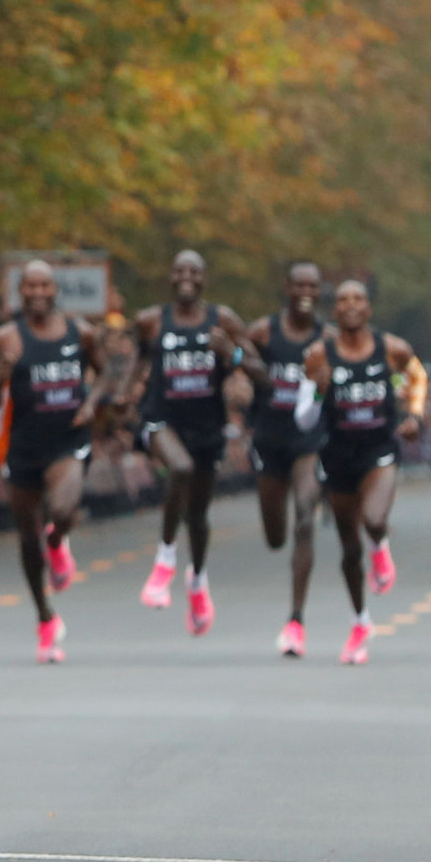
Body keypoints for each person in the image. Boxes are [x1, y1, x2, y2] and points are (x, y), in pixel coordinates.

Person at [0, 261, 108, 662]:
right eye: (30, 286)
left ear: (55, 291)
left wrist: (90, 403)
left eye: (44, 285)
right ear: (21, 292)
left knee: (63, 508)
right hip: (24, 445)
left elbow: (106, 376)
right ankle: (45, 617)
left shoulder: (80, 332)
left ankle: (58, 541)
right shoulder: (6, 338)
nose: (37, 292)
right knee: (26, 537)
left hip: (68, 439)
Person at [298, 280, 425, 665]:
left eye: (358, 299)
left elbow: (417, 378)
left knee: (373, 519)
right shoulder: (318, 355)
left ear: (369, 309)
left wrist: (415, 416)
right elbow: (304, 421)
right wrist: (318, 393)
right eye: (342, 301)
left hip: (379, 450)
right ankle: (359, 621)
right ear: (334, 311)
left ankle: (381, 545)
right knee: (349, 551)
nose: (351, 306)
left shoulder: (392, 349)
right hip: (337, 456)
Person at [126, 250, 253, 635]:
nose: (186, 277)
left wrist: (231, 353)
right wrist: (124, 399)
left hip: (207, 426)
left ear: (204, 279)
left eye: (193, 271)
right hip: (162, 419)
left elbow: (254, 361)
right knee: (178, 468)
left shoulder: (223, 319)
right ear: (170, 276)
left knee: (197, 517)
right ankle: (164, 560)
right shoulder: (151, 320)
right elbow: (133, 363)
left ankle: (197, 581)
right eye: (179, 270)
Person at [245, 261, 328, 657]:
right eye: (299, 285)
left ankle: (296, 620)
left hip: (309, 440)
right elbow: (239, 368)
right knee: (276, 536)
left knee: (305, 518)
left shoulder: (328, 338)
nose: (306, 292)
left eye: (313, 285)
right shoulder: (264, 331)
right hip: (269, 439)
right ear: (288, 289)